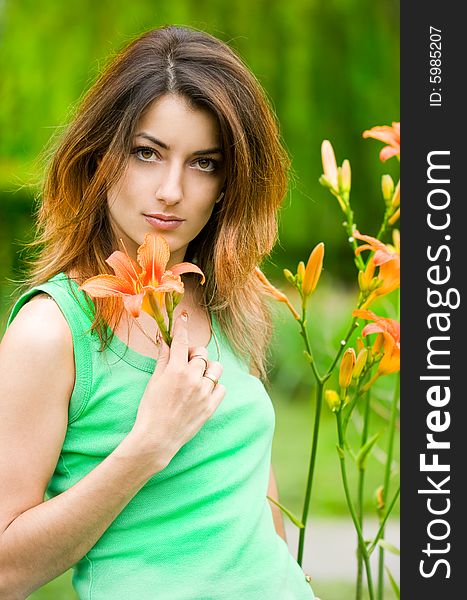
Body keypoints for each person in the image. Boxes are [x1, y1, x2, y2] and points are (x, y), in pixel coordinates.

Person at [0, 26, 315, 599]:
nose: (171, 189)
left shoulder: (231, 303)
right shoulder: (50, 332)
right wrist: (149, 443)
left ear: (228, 182)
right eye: (147, 153)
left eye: (204, 162)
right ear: (99, 157)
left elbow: (255, 513)